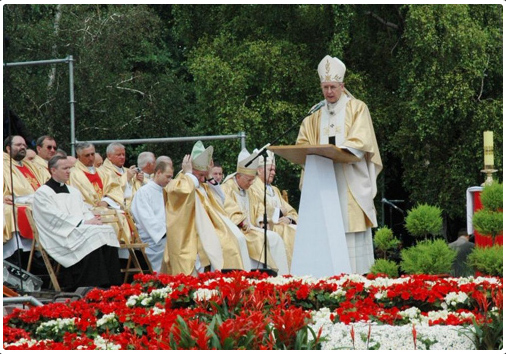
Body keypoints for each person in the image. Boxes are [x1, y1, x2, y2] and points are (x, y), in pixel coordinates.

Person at [296, 55, 382, 274]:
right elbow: (302, 144)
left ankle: (355, 278)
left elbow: (362, 140)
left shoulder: (357, 108)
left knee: (349, 230)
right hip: (323, 182)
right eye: (325, 87)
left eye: (333, 87)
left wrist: (337, 152)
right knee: (325, 232)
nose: (329, 92)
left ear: (342, 86)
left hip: (348, 180)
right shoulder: (314, 116)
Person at [33, 155, 121, 291]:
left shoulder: (74, 192)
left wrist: (92, 221)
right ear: (53, 170)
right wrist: (83, 222)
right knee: (93, 234)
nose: (69, 171)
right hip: (60, 234)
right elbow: (53, 217)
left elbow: (84, 210)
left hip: (78, 228)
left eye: (70, 168)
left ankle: (112, 283)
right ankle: (91, 284)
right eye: (65, 168)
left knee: (106, 230)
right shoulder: (42, 193)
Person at [160, 141, 250, 275]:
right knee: (227, 246)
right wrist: (189, 175)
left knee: (236, 240)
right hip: (190, 235)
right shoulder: (182, 182)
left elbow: (221, 199)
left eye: (204, 175)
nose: (203, 179)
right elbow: (181, 197)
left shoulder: (201, 183)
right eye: (200, 175)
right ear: (190, 170)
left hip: (208, 230)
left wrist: (208, 175)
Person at [221, 148, 289, 275]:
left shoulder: (250, 190)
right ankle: (253, 276)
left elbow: (259, 207)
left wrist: (262, 220)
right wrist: (241, 221)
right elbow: (228, 208)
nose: (252, 183)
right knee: (260, 240)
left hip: (251, 228)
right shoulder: (226, 188)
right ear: (238, 176)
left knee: (275, 238)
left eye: (253, 179)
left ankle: (281, 278)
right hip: (238, 229)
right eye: (249, 180)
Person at [249, 150, 297, 269]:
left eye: (274, 170)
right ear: (259, 170)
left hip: (282, 225)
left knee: (296, 228)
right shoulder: (253, 187)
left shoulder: (275, 190)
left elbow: (290, 210)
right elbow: (256, 210)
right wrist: (279, 212)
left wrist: (289, 219)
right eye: (270, 169)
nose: (274, 173)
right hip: (269, 227)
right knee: (290, 232)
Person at [3, 135, 46, 259]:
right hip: (14, 202)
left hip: (35, 201)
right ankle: (20, 255)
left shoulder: (30, 165)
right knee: (13, 212)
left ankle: (39, 254)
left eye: (24, 145)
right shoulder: (3, 164)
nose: (23, 147)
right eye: (18, 145)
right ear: (8, 148)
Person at [131, 161, 173, 273]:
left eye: (171, 177)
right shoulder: (143, 192)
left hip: (167, 233)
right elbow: (146, 219)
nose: (170, 180)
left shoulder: (167, 191)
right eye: (168, 177)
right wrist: (164, 233)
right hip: (153, 238)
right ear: (158, 172)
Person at [99, 142, 143, 209]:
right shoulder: (102, 171)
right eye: (118, 155)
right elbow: (108, 192)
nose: (122, 157)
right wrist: (126, 178)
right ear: (109, 156)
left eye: (123, 154)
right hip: (114, 209)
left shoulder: (127, 170)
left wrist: (139, 180)